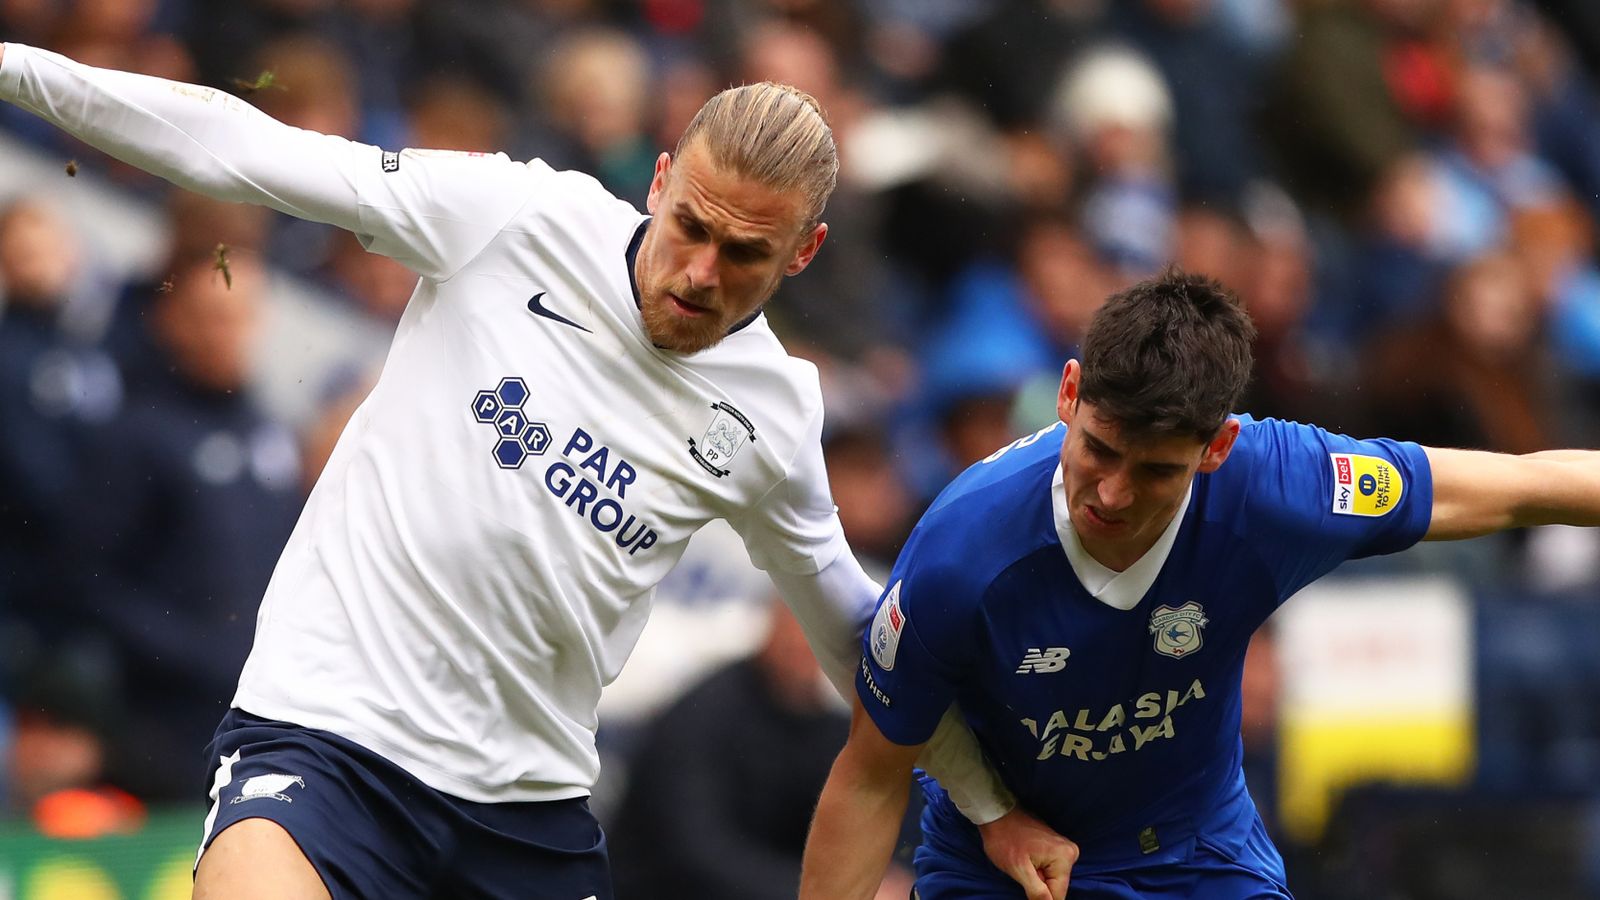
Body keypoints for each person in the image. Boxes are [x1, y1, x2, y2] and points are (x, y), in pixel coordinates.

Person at [0, 42, 1068, 900]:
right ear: (658, 178)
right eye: (689, 225)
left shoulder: (772, 415)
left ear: (805, 253)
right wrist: (19, 69)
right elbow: (246, 148)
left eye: (745, 254)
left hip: (524, 819)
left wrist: (985, 800)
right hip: (329, 745)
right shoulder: (510, 220)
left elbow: (846, 626)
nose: (699, 273)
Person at [799, 269, 1600, 899]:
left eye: (1154, 471)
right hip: (1000, 863)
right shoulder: (960, 552)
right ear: (1069, 393)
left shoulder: (1281, 484)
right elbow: (869, 777)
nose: (1111, 493)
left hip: (1198, 858)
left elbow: (1517, 486)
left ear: (1217, 445)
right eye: (1100, 450)